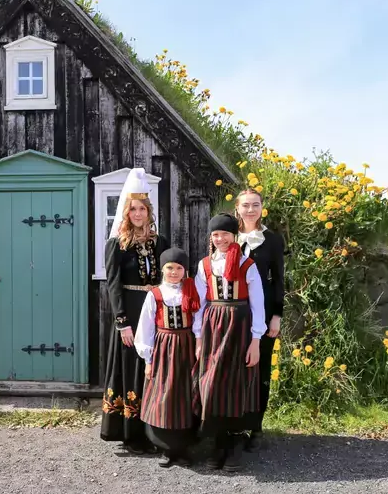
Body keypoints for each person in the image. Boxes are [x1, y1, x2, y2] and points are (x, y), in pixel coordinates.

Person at [101, 168, 169, 454]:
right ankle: (130, 433)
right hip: (130, 311)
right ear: (126, 212)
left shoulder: (160, 243)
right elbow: (113, 285)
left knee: (154, 368)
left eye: (142, 209)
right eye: (133, 209)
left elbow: (169, 280)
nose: (138, 214)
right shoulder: (116, 244)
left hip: (155, 311)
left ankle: (155, 429)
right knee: (130, 368)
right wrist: (122, 323)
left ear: (149, 211)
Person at [192, 213, 267, 472]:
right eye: (215, 234)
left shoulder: (247, 265)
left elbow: (258, 305)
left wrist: (256, 340)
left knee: (236, 384)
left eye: (225, 234)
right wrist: (199, 337)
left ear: (234, 236)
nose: (220, 238)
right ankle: (217, 443)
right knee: (211, 384)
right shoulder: (204, 265)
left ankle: (234, 445)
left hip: (240, 327)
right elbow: (199, 304)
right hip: (214, 326)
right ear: (210, 238)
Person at [134, 247, 201, 468]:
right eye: (170, 268)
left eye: (179, 268)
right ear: (162, 270)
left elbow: (199, 321)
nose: (174, 272)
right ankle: (166, 448)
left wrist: (199, 345)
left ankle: (184, 448)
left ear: (185, 270)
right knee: (164, 395)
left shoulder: (191, 291)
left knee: (185, 394)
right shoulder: (155, 295)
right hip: (163, 347)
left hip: (187, 346)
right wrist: (148, 359)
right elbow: (145, 329)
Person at [235, 189, 286, 452]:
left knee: (260, 367)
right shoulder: (228, 237)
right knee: (234, 367)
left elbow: (278, 280)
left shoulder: (273, 240)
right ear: (238, 208)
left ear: (262, 208)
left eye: (255, 205)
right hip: (233, 315)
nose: (251, 210)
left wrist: (277, 316)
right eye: (246, 205)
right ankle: (232, 424)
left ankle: (255, 426)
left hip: (263, 314)